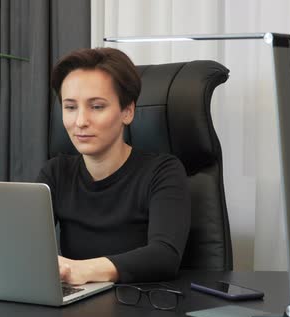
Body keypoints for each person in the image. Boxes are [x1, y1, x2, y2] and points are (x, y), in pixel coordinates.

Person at [36, 47, 191, 285]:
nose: (80, 121)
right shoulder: (56, 173)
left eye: (97, 107)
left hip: (139, 309)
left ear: (127, 111)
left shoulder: (163, 172)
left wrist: (80, 271)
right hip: (73, 307)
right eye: (70, 107)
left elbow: (164, 255)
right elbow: (26, 245)